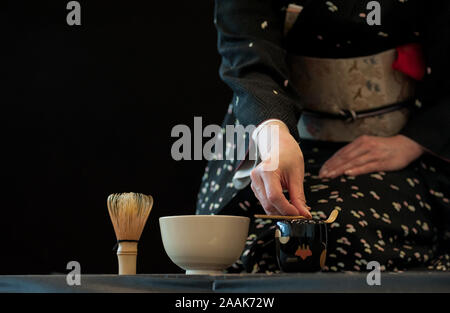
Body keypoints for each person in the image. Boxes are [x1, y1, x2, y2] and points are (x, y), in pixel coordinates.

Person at [196, 0, 450, 273]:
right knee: (230, 243)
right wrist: (274, 134)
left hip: (412, 142)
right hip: (267, 132)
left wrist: (415, 140)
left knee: (341, 241)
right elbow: (247, 50)